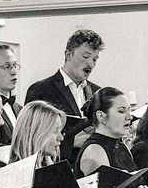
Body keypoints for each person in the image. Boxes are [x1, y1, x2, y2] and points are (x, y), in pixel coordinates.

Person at [24, 29, 103, 161]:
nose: (91, 63)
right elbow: (31, 138)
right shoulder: (41, 89)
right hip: (57, 168)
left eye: (95, 59)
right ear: (68, 55)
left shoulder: (97, 92)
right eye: (85, 56)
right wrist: (70, 142)